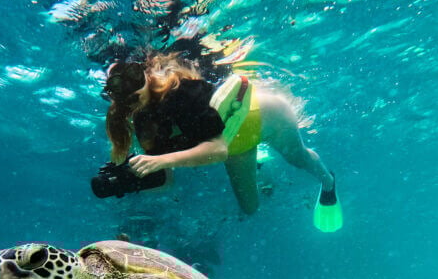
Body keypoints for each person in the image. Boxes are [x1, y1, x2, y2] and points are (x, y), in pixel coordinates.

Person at [103, 53, 342, 231]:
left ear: (146, 75)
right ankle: (260, 164)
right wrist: (128, 184)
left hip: (265, 115)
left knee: (298, 158)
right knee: (250, 208)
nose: (132, 89)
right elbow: (166, 181)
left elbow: (217, 150)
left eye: (134, 75)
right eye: (121, 85)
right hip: (236, 146)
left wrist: (161, 160)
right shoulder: (143, 122)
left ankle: (328, 182)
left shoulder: (180, 91)